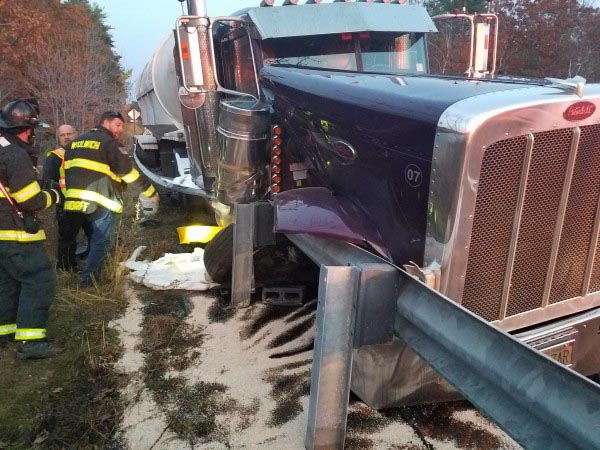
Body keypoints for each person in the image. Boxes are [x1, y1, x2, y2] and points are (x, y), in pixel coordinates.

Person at [63, 111, 159, 287]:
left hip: (73, 201)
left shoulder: (75, 143)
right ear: (105, 123)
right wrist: (151, 192)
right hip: (100, 201)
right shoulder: (109, 144)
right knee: (101, 240)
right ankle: (88, 282)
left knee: (73, 238)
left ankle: (65, 270)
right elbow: (128, 173)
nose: (121, 129)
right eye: (118, 125)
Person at [0, 98, 63, 360]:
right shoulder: (14, 155)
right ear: (27, 128)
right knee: (39, 279)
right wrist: (53, 195)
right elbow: (30, 200)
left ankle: (6, 332)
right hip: (15, 233)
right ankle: (31, 341)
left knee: (8, 283)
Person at [43, 124, 92, 270]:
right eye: (62, 135)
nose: (66, 137)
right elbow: (49, 183)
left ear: (76, 134)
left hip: (88, 202)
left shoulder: (86, 152)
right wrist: (58, 203)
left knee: (95, 234)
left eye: (69, 133)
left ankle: (96, 262)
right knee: (67, 238)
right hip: (67, 205)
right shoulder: (54, 157)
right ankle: (67, 268)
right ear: (58, 138)